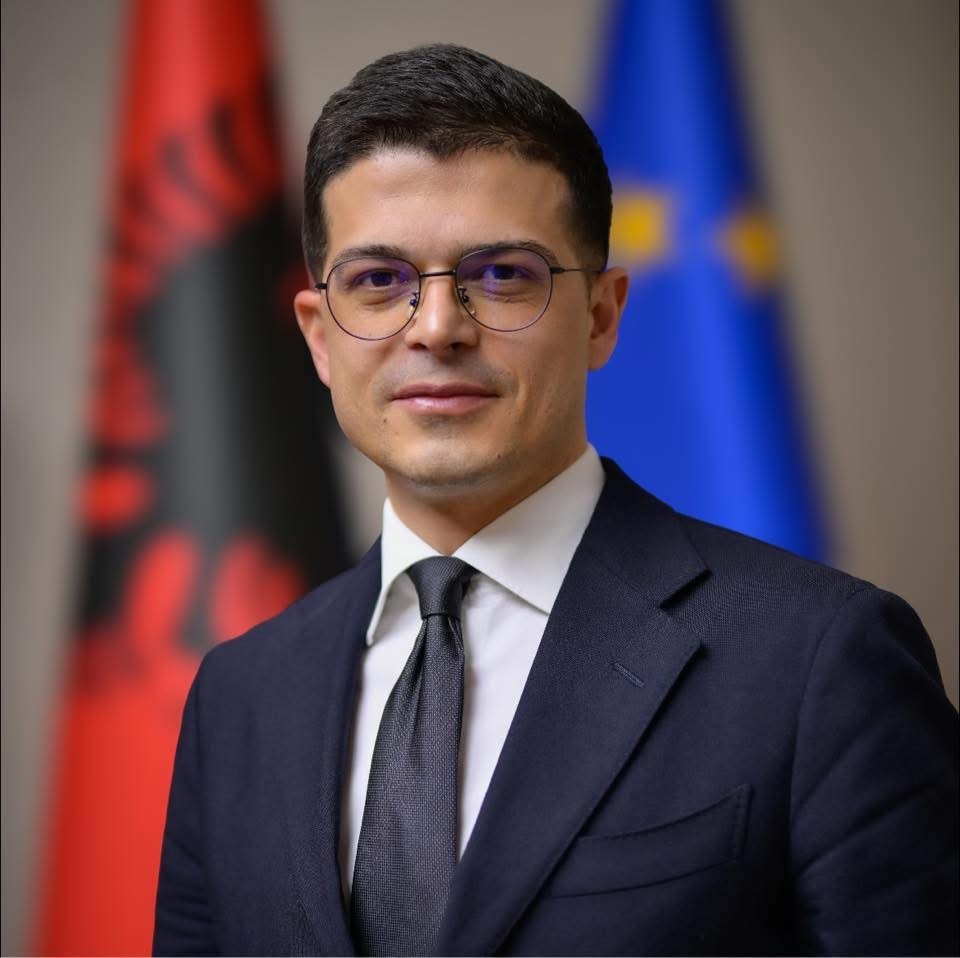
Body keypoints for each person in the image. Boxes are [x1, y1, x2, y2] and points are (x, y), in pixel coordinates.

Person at [153, 44, 958, 956]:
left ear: (602, 316)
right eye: (379, 282)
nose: (438, 328)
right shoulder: (239, 696)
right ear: (319, 337)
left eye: (502, 275)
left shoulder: (820, 659)